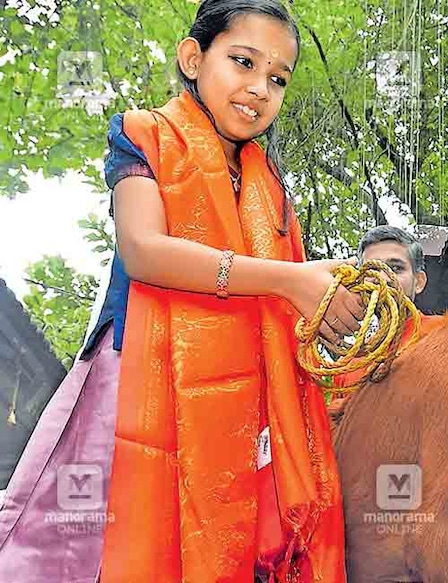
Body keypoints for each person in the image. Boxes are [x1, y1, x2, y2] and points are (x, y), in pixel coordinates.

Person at [0, 1, 358, 581]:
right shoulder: (143, 135)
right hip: (137, 376)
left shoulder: (270, 187)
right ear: (193, 57)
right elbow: (145, 251)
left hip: (241, 399)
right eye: (243, 62)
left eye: (278, 78)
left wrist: (325, 292)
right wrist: (289, 279)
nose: (259, 88)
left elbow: (288, 300)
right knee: (104, 546)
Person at [326, 225, 440, 425]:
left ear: (419, 282)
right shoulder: (349, 364)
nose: (384, 278)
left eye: (396, 268)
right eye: (373, 270)